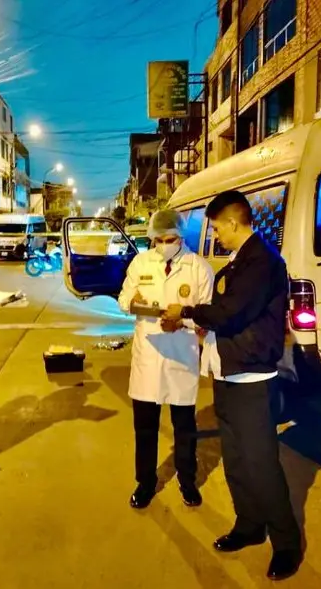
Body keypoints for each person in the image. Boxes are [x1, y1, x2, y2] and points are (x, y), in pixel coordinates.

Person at [163, 190, 302, 581]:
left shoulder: (261, 262)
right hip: (228, 373)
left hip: (252, 379)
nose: (215, 235)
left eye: (216, 227)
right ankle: (249, 525)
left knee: (261, 464)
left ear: (232, 223)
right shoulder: (239, 261)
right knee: (237, 459)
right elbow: (224, 311)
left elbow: (231, 310)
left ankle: (286, 543)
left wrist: (188, 311)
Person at [116, 210, 214, 509]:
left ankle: (187, 481)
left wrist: (181, 321)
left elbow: (207, 314)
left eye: (169, 239)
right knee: (144, 428)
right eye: (157, 240)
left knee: (184, 427)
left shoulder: (198, 267)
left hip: (181, 357)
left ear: (180, 236)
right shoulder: (141, 262)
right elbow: (123, 300)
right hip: (148, 356)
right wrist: (143, 308)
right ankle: (145, 482)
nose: (163, 245)